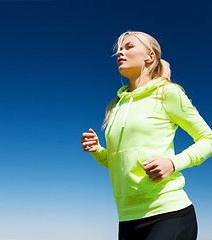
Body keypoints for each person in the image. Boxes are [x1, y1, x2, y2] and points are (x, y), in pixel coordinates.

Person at [81, 31, 212, 240]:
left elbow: (208, 139)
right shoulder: (116, 106)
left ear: (149, 56)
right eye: (119, 50)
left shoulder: (167, 93)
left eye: (129, 47)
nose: (120, 53)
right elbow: (120, 163)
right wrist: (97, 151)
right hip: (127, 220)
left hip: (169, 213)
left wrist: (173, 163)